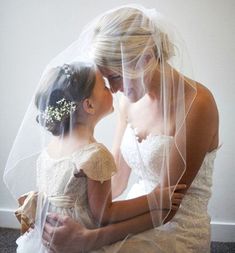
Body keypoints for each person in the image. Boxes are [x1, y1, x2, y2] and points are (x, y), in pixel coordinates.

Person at [41, 4, 219, 253]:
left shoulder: (197, 105)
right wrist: (72, 207)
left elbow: (167, 208)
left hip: (174, 223)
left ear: (145, 60)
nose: (112, 90)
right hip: (137, 207)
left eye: (114, 77)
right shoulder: (127, 99)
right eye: (106, 80)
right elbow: (118, 180)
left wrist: (87, 239)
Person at [8, 61, 184, 253]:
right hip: (74, 239)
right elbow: (105, 214)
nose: (113, 90)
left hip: (47, 237)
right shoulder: (95, 155)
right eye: (105, 87)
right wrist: (154, 199)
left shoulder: (52, 147)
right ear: (89, 105)